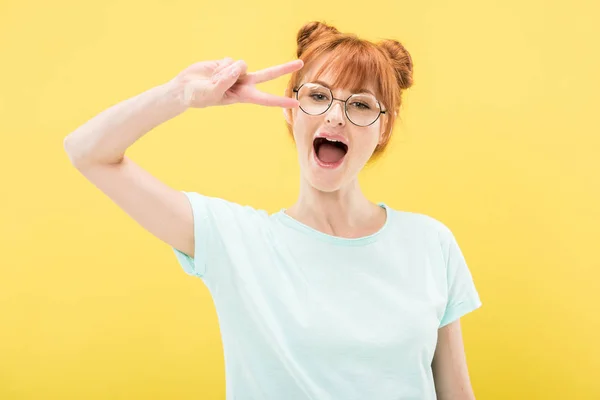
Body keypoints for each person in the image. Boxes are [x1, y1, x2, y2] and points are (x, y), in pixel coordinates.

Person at [64, 20, 482, 400]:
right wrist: (180, 95)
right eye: (318, 96)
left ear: (385, 125)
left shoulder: (430, 243)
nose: (335, 116)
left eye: (359, 104)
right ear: (290, 110)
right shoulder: (235, 240)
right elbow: (87, 152)